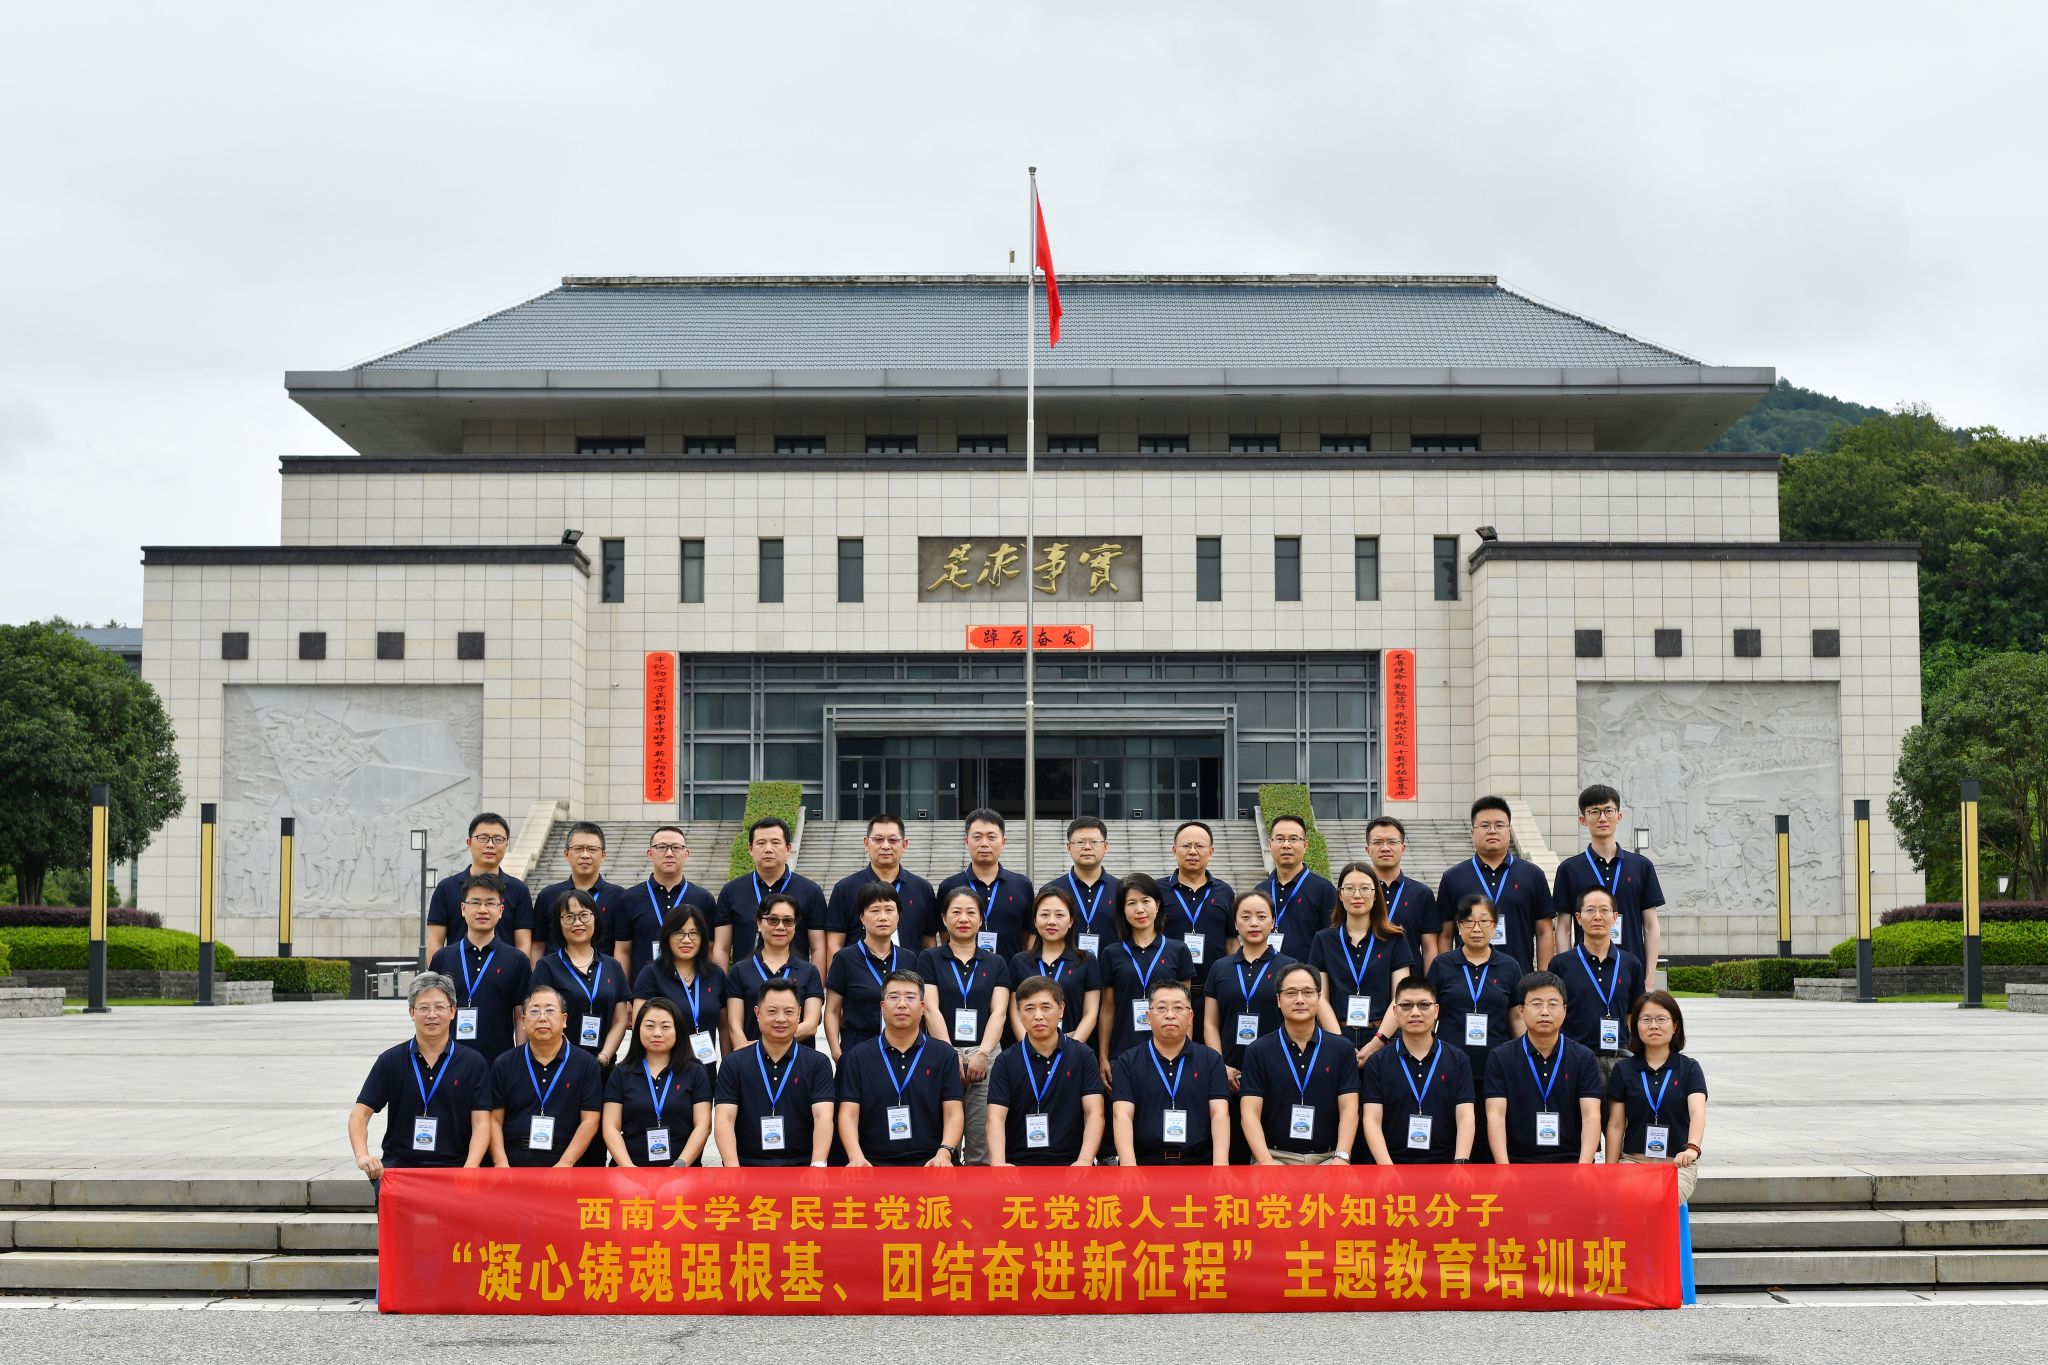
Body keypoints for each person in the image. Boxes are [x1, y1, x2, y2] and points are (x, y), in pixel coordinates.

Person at [348, 972, 493, 1186]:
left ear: (453, 1011)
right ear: (411, 1012)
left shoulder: (473, 1063)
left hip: (454, 1167)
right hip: (401, 1167)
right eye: (423, 1008)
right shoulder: (391, 1061)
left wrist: (470, 1168)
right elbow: (359, 1115)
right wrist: (362, 1156)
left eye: (440, 1007)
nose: (432, 1015)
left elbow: (481, 1122)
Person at [919, 885, 1012, 1166]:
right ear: (944, 918)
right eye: (956, 912)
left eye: (971, 912)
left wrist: (982, 1053)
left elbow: (999, 1012)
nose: (963, 918)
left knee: (981, 1141)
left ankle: (979, 1190)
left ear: (981, 919)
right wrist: (950, 1054)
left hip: (986, 1056)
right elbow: (930, 1008)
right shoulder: (929, 958)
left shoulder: (996, 962)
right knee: (940, 1137)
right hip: (940, 1054)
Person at [1202, 888, 1297, 1161]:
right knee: (1232, 1147)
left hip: (1276, 1069)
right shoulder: (1220, 967)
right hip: (1229, 1071)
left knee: (1269, 1146)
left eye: (1261, 916)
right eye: (1245, 917)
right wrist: (1220, 1066)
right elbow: (1210, 1022)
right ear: (1235, 923)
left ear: (1273, 921)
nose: (1253, 923)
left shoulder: (1289, 968)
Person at [837, 970, 964, 1167]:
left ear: (922, 1007)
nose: (902, 1004)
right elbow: (848, 1114)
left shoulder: (944, 1055)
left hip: (931, 1161)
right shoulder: (857, 1057)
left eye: (910, 997)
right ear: (882, 1007)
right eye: (894, 997)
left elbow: (953, 1112)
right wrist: (855, 1157)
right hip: (872, 1163)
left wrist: (945, 1152)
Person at [1239, 963, 1359, 1165]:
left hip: (1328, 1158)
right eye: (1291, 993)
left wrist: (1341, 1156)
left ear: (1319, 997)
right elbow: (1249, 1114)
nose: (1300, 1000)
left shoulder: (1342, 1049)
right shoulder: (1258, 1050)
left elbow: (1349, 1109)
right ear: (1278, 1000)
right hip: (1275, 1157)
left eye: (1308, 992)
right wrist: (1267, 1163)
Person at [1425, 894, 1525, 1135]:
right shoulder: (1442, 965)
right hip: (1449, 1065)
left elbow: (1516, 1017)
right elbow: (1429, 1013)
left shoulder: (1510, 966)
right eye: (1468, 921)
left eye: (1484, 921)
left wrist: (1523, 1057)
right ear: (1459, 926)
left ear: (1495, 925)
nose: (1476, 928)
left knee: (1490, 1130)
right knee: (1450, 1131)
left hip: (1495, 1065)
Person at [714, 979, 836, 1167]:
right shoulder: (734, 1063)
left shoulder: (818, 1063)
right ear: (757, 1013)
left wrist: (818, 1166)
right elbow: (724, 1119)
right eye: (772, 1011)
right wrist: (732, 1168)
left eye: (789, 1012)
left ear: (799, 1014)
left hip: (802, 1165)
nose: (781, 1019)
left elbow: (823, 1117)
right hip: (747, 1165)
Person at [1485, 971, 1603, 1165]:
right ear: (1521, 1010)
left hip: (1571, 1162)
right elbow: (1495, 1116)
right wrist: (1504, 1169)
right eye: (1537, 1004)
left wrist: (1583, 1168)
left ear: (1564, 1010)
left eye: (1553, 1004)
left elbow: (1591, 1115)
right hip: (1518, 1163)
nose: (1545, 1012)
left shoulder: (1584, 1057)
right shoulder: (1500, 1057)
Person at [988, 975, 1107, 1167]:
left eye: (1046, 1007)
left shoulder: (1082, 1055)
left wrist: (1084, 1160)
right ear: (1018, 1013)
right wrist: (999, 1163)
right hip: (1018, 1165)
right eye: (1029, 1008)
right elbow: (995, 1118)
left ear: (1061, 1009)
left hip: (1072, 1164)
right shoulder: (1006, 1061)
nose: (1038, 1016)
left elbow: (1095, 1113)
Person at [1110, 982, 1231, 1166]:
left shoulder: (1211, 1060)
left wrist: (1220, 1165)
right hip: (1144, 1164)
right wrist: (1129, 1167)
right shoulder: (1128, 1061)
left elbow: (1220, 1114)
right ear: (1148, 1017)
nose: (1170, 1015)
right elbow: (1122, 1116)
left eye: (1178, 1008)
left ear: (1190, 1017)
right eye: (1161, 1008)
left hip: (1199, 1163)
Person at [1551, 784, 1667, 974]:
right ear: (1583, 820)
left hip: (1631, 972)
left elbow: (1651, 926)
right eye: (1594, 812)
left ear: (1619, 816)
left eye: (1608, 811)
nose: (1603, 818)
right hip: (1584, 972)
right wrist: (1567, 973)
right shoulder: (1569, 869)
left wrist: (1649, 978)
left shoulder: (1641, 866)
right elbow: (1563, 928)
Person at [1604, 991, 1708, 1203]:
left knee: (1661, 1200)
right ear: (1635, 1026)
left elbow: (1697, 1112)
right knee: (1629, 1198)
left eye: (1661, 1019)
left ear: (1675, 1026)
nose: (1653, 1026)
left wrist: (1692, 1148)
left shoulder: (1690, 1068)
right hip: (1633, 1162)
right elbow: (1616, 1124)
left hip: (1677, 1165)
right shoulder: (1623, 1070)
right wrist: (1610, 1170)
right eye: (1646, 1019)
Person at [1359, 978, 1476, 1165]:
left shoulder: (1458, 1059)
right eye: (1406, 1006)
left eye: (1424, 1005)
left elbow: (1465, 1116)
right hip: (1391, 1164)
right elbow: (1371, 1119)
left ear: (1436, 1010)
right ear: (1395, 1012)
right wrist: (1387, 1169)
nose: (1415, 1012)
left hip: (1445, 1164)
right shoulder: (1377, 1062)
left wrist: (1460, 1163)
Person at [1309, 861, 1415, 1068]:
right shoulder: (1323, 939)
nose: (1357, 895)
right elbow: (1320, 997)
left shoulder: (1395, 939)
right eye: (1349, 888)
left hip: (1384, 1037)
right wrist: (1340, 1043)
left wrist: (1377, 1042)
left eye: (1365, 888)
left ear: (1375, 895)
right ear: (1340, 895)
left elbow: (1401, 996)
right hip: (1337, 1036)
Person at [1096, 873, 1196, 1086]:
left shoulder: (1178, 950)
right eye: (1131, 903)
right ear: (1123, 910)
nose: (1139, 909)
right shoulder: (1111, 953)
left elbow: (1186, 1008)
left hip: (1170, 1053)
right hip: (1123, 1053)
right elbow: (1108, 1008)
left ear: (1157, 905)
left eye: (1145, 901)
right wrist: (1103, 1056)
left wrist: (1187, 1053)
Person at [488, 984, 604, 1167]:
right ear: (523, 1021)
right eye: (534, 1011)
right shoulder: (504, 1063)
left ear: (564, 1019)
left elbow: (590, 1120)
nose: (542, 1017)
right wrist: (501, 1163)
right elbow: (494, 1119)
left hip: (566, 1163)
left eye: (550, 1010)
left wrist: (565, 1163)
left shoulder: (586, 1064)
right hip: (513, 1161)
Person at [1436, 796, 1555, 972]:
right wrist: (1447, 975)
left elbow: (1544, 931)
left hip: (1520, 977)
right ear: (1473, 832)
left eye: (1499, 825)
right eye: (1485, 826)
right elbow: (1446, 935)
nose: (1492, 831)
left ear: (1509, 830)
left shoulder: (1533, 875)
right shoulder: (1453, 877)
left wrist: (1543, 978)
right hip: (1467, 978)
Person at [424, 873, 530, 1062]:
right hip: (449, 1062)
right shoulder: (443, 958)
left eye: (490, 903)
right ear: (463, 909)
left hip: (499, 1062)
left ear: (501, 910)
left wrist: (519, 1059)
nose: (482, 910)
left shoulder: (517, 960)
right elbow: (431, 1010)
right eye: (475, 903)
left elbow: (520, 1013)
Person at [601, 997, 712, 1167]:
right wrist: (629, 1168)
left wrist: (680, 1166)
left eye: (665, 1027)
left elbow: (703, 1126)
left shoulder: (695, 1072)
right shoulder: (621, 1073)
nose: (657, 1033)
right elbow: (610, 1127)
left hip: (683, 1170)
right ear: (638, 1029)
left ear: (678, 1030)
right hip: (629, 1170)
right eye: (649, 1026)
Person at [1552, 886, 1648, 1079]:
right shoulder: (1561, 964)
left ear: (1615, 917)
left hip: (1621, 1058)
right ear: (1578, 918)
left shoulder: (1630, 964)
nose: (1597, 916)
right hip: (1575, 1059)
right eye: (1590, 910)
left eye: (1604, 910)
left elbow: (1634, 1015)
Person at [529, 888, 631, 1066]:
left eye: (584, 915)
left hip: (603, 1066)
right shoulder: (546, 967)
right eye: (569, 917)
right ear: (559, 923)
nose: (577, 923)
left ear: (595, 918)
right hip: (560, 1063)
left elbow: (620, 1020)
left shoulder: (612, 966)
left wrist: (603, 1058)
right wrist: (575, 1059)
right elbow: (543, 1016)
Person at [715, 817, 828, 967]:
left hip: (795, 980)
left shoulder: (811, 891)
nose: (768, 849)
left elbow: (818, 948)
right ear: (750, 849)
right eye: (761, 843)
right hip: (744, 981)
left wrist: (815, 982)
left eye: (775, 842)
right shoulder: (731, 891)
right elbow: (721, 948)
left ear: (788, 849)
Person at [631, 904, 728, 1077]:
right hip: (664, 1074)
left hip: (706, 1073)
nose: (686, 940)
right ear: (667, 936)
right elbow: (640, 1029)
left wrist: (728, 1070)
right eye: (679, 933)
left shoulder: (715, 975)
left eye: (693, 933)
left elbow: (724, 1027)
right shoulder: (651, 974)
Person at [825, 814, 938, 959]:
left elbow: (929, 942)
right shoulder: (845, 889)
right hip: (860, 972)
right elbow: (834, 944)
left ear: (904, 845)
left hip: (911, 972)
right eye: (878, 839)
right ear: (866, 843)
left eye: (893, 840)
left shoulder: (922, 888)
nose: (885, 846)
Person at [616, 825, 718, 985]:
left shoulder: (703, 899)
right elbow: (623, 951)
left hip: (690, 990)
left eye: (676, 848)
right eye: (662, 847)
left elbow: (709, 949)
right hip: (644, 990)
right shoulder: (630, 898)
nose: (669, 853)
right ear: (650, 853)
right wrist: (624, 993)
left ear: (686, 854)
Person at [725, 892, 825, 1052]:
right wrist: (752, 1052)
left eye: (788, 921)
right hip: (752, 1060)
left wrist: (765, 1045)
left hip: (797, 1059)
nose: (780, 927)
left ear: (795, 925)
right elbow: (734, 1026)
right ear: (759, 923)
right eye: (772, 920)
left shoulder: (809, 971)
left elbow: (811, 1025)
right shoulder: (740, 970)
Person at [424, 813, 535, 958]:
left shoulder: (519, 890)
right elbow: (435, 942)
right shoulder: (446, 888)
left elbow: (523, 944)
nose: (490, 845)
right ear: (469, 842)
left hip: (504, 971)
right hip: (456, 970)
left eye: (498, 839)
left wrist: (516, 969)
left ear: (506, 845)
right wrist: (439, 971)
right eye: (483, 838)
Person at [935, 808, 1036, 959]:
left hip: (1010, 971)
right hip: (961, 971)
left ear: (1003, 842)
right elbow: (945, 934)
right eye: (977, 837)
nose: (984, 844)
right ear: (966, 841)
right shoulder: (949, 887)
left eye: (991, 837)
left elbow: (1028, 935)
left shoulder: (1022, 886)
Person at [824, 881, 908, 1060]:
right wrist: (837, 1053)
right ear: (862, 917)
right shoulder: (845, 958)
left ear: (899, 915)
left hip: (901, 1048)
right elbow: (832, 1011)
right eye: (875, 910)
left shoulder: (909, 958)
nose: (883, 917)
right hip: (857, 1047)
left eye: (889, 910)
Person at [1008, 885, 1101, 1043]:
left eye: (1059, 915)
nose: (1051, 921)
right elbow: (1015, 1012)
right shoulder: (1019, 961)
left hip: (1074, 1046)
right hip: (1030, 1048)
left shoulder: (1087, 960)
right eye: (1044, 914)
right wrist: (1029, 1047)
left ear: (1071, 921)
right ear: (1035, 921)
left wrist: (1071, 1048)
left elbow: (1090, 1014)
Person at [534, 821, 628, 970]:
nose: (585, 855)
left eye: (592, 849)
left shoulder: (619, 896)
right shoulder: (548, 895)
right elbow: (538, 945)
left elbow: (622, 947)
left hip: (601, 978)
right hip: (555, 976)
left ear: (603, 855)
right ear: (566, 854)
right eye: (578, 849)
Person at [1363, 815, 1439, 969]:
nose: (1385, 848)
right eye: (1377, 842)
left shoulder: (1422, 894)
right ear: (1367, 849)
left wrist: (1430, 982)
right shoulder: (1357, 893)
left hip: (1410, 980)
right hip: (1365, 977)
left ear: (1403, 848)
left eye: (1392, 842)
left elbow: (1429, 947)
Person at [1160, 820, 1235, 975]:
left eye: (1199, 846)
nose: (1192, 851)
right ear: (1174, 850)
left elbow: (1231, 941)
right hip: (1169, 982)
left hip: (1215, 982)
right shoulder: (1157, 891)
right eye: (1186, 845)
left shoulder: (1224, 892)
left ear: (1211, 851)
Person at [1264, 815, 1337, 955]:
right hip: (1268, 968)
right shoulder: (1260, 891)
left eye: (1293, 839)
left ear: (1305, 845)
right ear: (1270, 844)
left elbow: (1333, 941)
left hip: (1308, 969)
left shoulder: (1323, 889)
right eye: (1279, 839)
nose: (1286, 845)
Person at [1061, 817, 1121, 954]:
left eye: (1094, 842)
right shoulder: (1052, 890)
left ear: (1106, 846)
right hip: (1065, 967)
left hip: (1112, 966)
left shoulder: (1121, 889)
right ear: (1069, 847)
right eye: (1080, 842)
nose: (1087, 847)